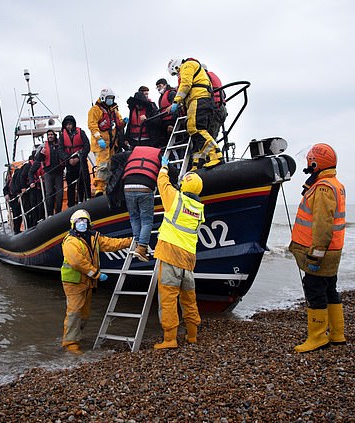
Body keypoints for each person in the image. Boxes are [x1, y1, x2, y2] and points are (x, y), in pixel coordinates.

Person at [289, 143, 347, 353]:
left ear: (316, 162)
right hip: (333, 249)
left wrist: (316, 254)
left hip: (321, 251)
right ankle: (337, 334)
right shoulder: (334, 184)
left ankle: (317, 337)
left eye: (309, 160)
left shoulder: (323, 188)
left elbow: (322, 223)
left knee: (314, 289)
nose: (307, 163)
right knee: (330, 288)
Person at [60, 209, 132, 355]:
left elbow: (110, 244)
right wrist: (97, 274)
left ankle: (75, 336)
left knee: (84, 313)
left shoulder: (93, 237)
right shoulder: (70, 241)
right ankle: (70, 343)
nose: (82, 224)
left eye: (84, 221)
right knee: (74, 311)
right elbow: (77, 262)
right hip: (74, 281)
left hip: (88, 281)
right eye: (79, 221)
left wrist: (130, 241)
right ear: (73, 224)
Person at [153, 159, 205, 349]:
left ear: (183, 185)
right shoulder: (199, 210)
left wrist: (164, 167)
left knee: (168, 300)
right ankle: (192, 336)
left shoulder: (175, 199)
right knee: (189, 300)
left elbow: (162, 183)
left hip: (170, 257)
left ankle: (169, 339)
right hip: (189, 261)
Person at [167, 57, 223, 170]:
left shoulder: (187, 66)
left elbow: (186, 84)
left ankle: (216, 155)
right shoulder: (193, 67)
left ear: (177, 66)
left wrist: (176, 101)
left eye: (176, 73)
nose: (177, 76)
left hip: (198, 99)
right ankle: (198, 163)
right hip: (201, 100)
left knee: (195, 128)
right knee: (196, 135)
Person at [122, 145, 162, 261]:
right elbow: (170, 170)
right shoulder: (158, 153)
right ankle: (142, 248)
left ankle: (137, 243)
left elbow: (116, 159)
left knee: (134, 217)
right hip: (145, 187)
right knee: (146, 220)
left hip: (128, 187)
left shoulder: (133, 153)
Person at [87, 88, 126, 197]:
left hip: (112, 144)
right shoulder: (95, 110)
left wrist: (124, 122)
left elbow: (118, 124)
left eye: (112, 98)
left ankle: (108, 187)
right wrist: (99, 138)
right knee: (103, 165)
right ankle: (99, 188)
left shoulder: (114, 111)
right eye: (109, 98)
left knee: (110, 165)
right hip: (101, 144)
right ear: (103, 98)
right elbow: (92, 125)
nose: (111, 100)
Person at [58, 115, 91, 207]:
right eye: (67, 125)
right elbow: (60, 150)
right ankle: (71, 205)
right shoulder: (62, 136)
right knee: (70, 186)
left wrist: (79, 158)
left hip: (81, 161)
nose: (69, 126)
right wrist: (69, 159)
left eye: (70, 124)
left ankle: (85, 201)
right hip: (69, 164)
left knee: (84, 182)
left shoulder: (81, 132)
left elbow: (87, 146)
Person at [30, 130, 64, 215]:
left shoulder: (60, 145)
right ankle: (50, 214)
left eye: (51, 134)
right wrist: (42, 153)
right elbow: (37, 159)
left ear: (55, 135)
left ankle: (59, 212)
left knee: (60, 193)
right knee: (49, 194)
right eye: (48, 135)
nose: (50, 136)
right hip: (48, 172)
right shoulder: (43, 146)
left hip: (59, 172)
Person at [202, 64, 228, 141]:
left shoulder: (204, 77)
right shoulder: (214, 76)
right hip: (221, 108)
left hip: (214, 109)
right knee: (213, 137)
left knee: (208, 140)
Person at [155, 78, 178, 147]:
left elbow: (176, 107)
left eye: (160, 86)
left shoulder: (171, 93)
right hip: (164, 122)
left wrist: (172, 123)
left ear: (165, 85)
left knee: (175, 143)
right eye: (157, 87)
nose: (159, 88)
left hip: (172, 121)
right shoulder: (161, 97)